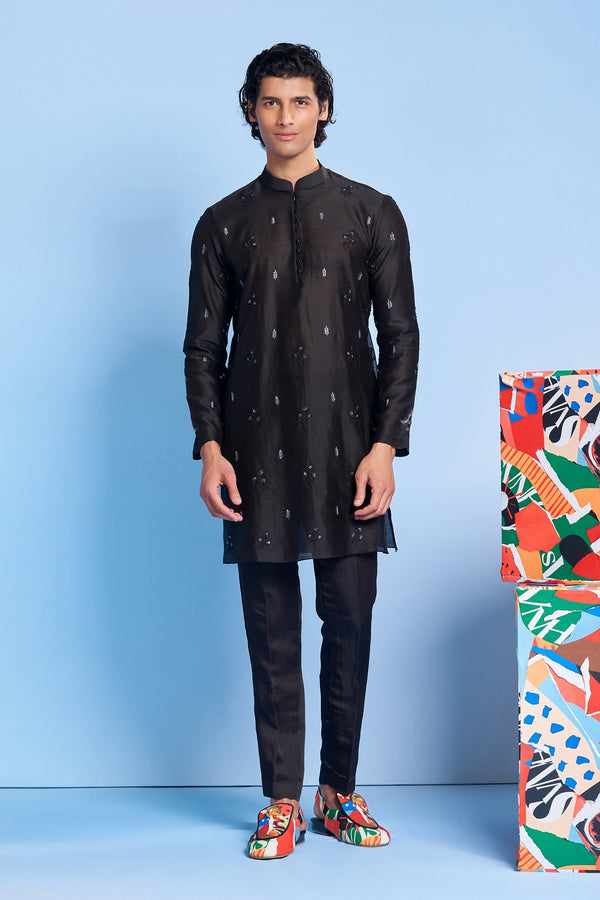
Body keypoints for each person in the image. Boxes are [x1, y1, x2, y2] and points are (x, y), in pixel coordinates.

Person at [184, 42, 419, 860]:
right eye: (271, 102)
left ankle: (338, 794)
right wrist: (210, 446)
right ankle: (282, 800)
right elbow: (202, 348)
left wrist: (386, 445)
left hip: (352, 451)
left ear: (323, 109)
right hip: (255, 455)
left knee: (349, 623)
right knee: (271, 629)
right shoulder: (221, 223)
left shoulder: (371, 212)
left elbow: (400, 337)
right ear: (251, 112)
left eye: (300, 101)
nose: (285, 117)